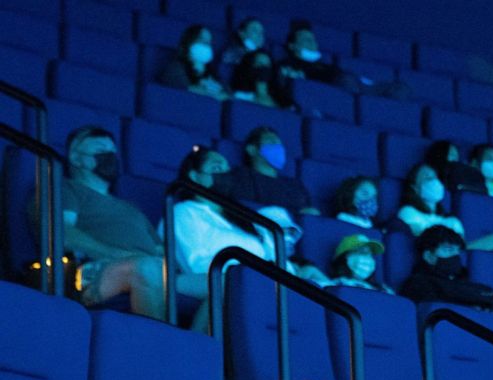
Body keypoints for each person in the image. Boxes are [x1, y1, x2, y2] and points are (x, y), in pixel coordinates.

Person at [44, 126, 205, 321]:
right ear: (76, 158)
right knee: (146, 268)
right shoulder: (65, 188)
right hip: (97, 269)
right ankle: (160, 347)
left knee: (223, 284)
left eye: (113, 152)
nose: (110, 156)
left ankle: (192, 347)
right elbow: (63, 233)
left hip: (154, 269)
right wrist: (116, 255)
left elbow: (159, 248)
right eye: (101, 151)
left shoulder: (129, 207)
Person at [172, 147, 331, 288]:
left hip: (262, 283)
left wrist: (297, 271)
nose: (225, 174)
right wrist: (252, 275)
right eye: (217, 167)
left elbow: (271, 258)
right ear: (194, 176)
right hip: (231, 284)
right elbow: (195, 265)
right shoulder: (184, 212)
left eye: (228, 169)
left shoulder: (241, 218)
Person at [400, 226, 493, 317]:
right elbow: (432, 313)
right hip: (464, 327)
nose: (455, 256)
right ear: (429, 256)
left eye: (457, 252)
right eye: (448, 250)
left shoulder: (479, 288)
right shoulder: (419, 283)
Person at [398, 163, 493, 257]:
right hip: (436, 255)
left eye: (435, 177)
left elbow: (461, 246)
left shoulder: (452, 220)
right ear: (414, 188)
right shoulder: (408, 212)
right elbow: (422, 241)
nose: (434, 182)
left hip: (457, 256)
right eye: (427, 178)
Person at [274, 20, 410, 107]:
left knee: (400, 88)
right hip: (335, 91)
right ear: (292, 46)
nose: (311, 42)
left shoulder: (327, 65)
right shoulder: (288, 65)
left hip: (357, 85)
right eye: (305, 39)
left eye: (312, 39)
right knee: (347, 80)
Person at [213, 126, 320, 216]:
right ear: (252, 150)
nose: (279, 149)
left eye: (280, 145)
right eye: (272, 142)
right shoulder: (238, 176)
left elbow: (310, 215)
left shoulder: (296, 185)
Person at [157, 25, 228, 101]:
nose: (207, 46)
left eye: (209, 43)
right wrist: (209, 93)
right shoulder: (175, 69)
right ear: (189, 42)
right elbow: (185, 91)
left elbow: (226, 94)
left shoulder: (212, 72)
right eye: (203, 41)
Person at [326, 234, 395, 293]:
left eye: (369, 254)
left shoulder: (383, 290)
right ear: (344, 257)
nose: (367, 259)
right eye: (361, 252)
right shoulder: (333, 286)